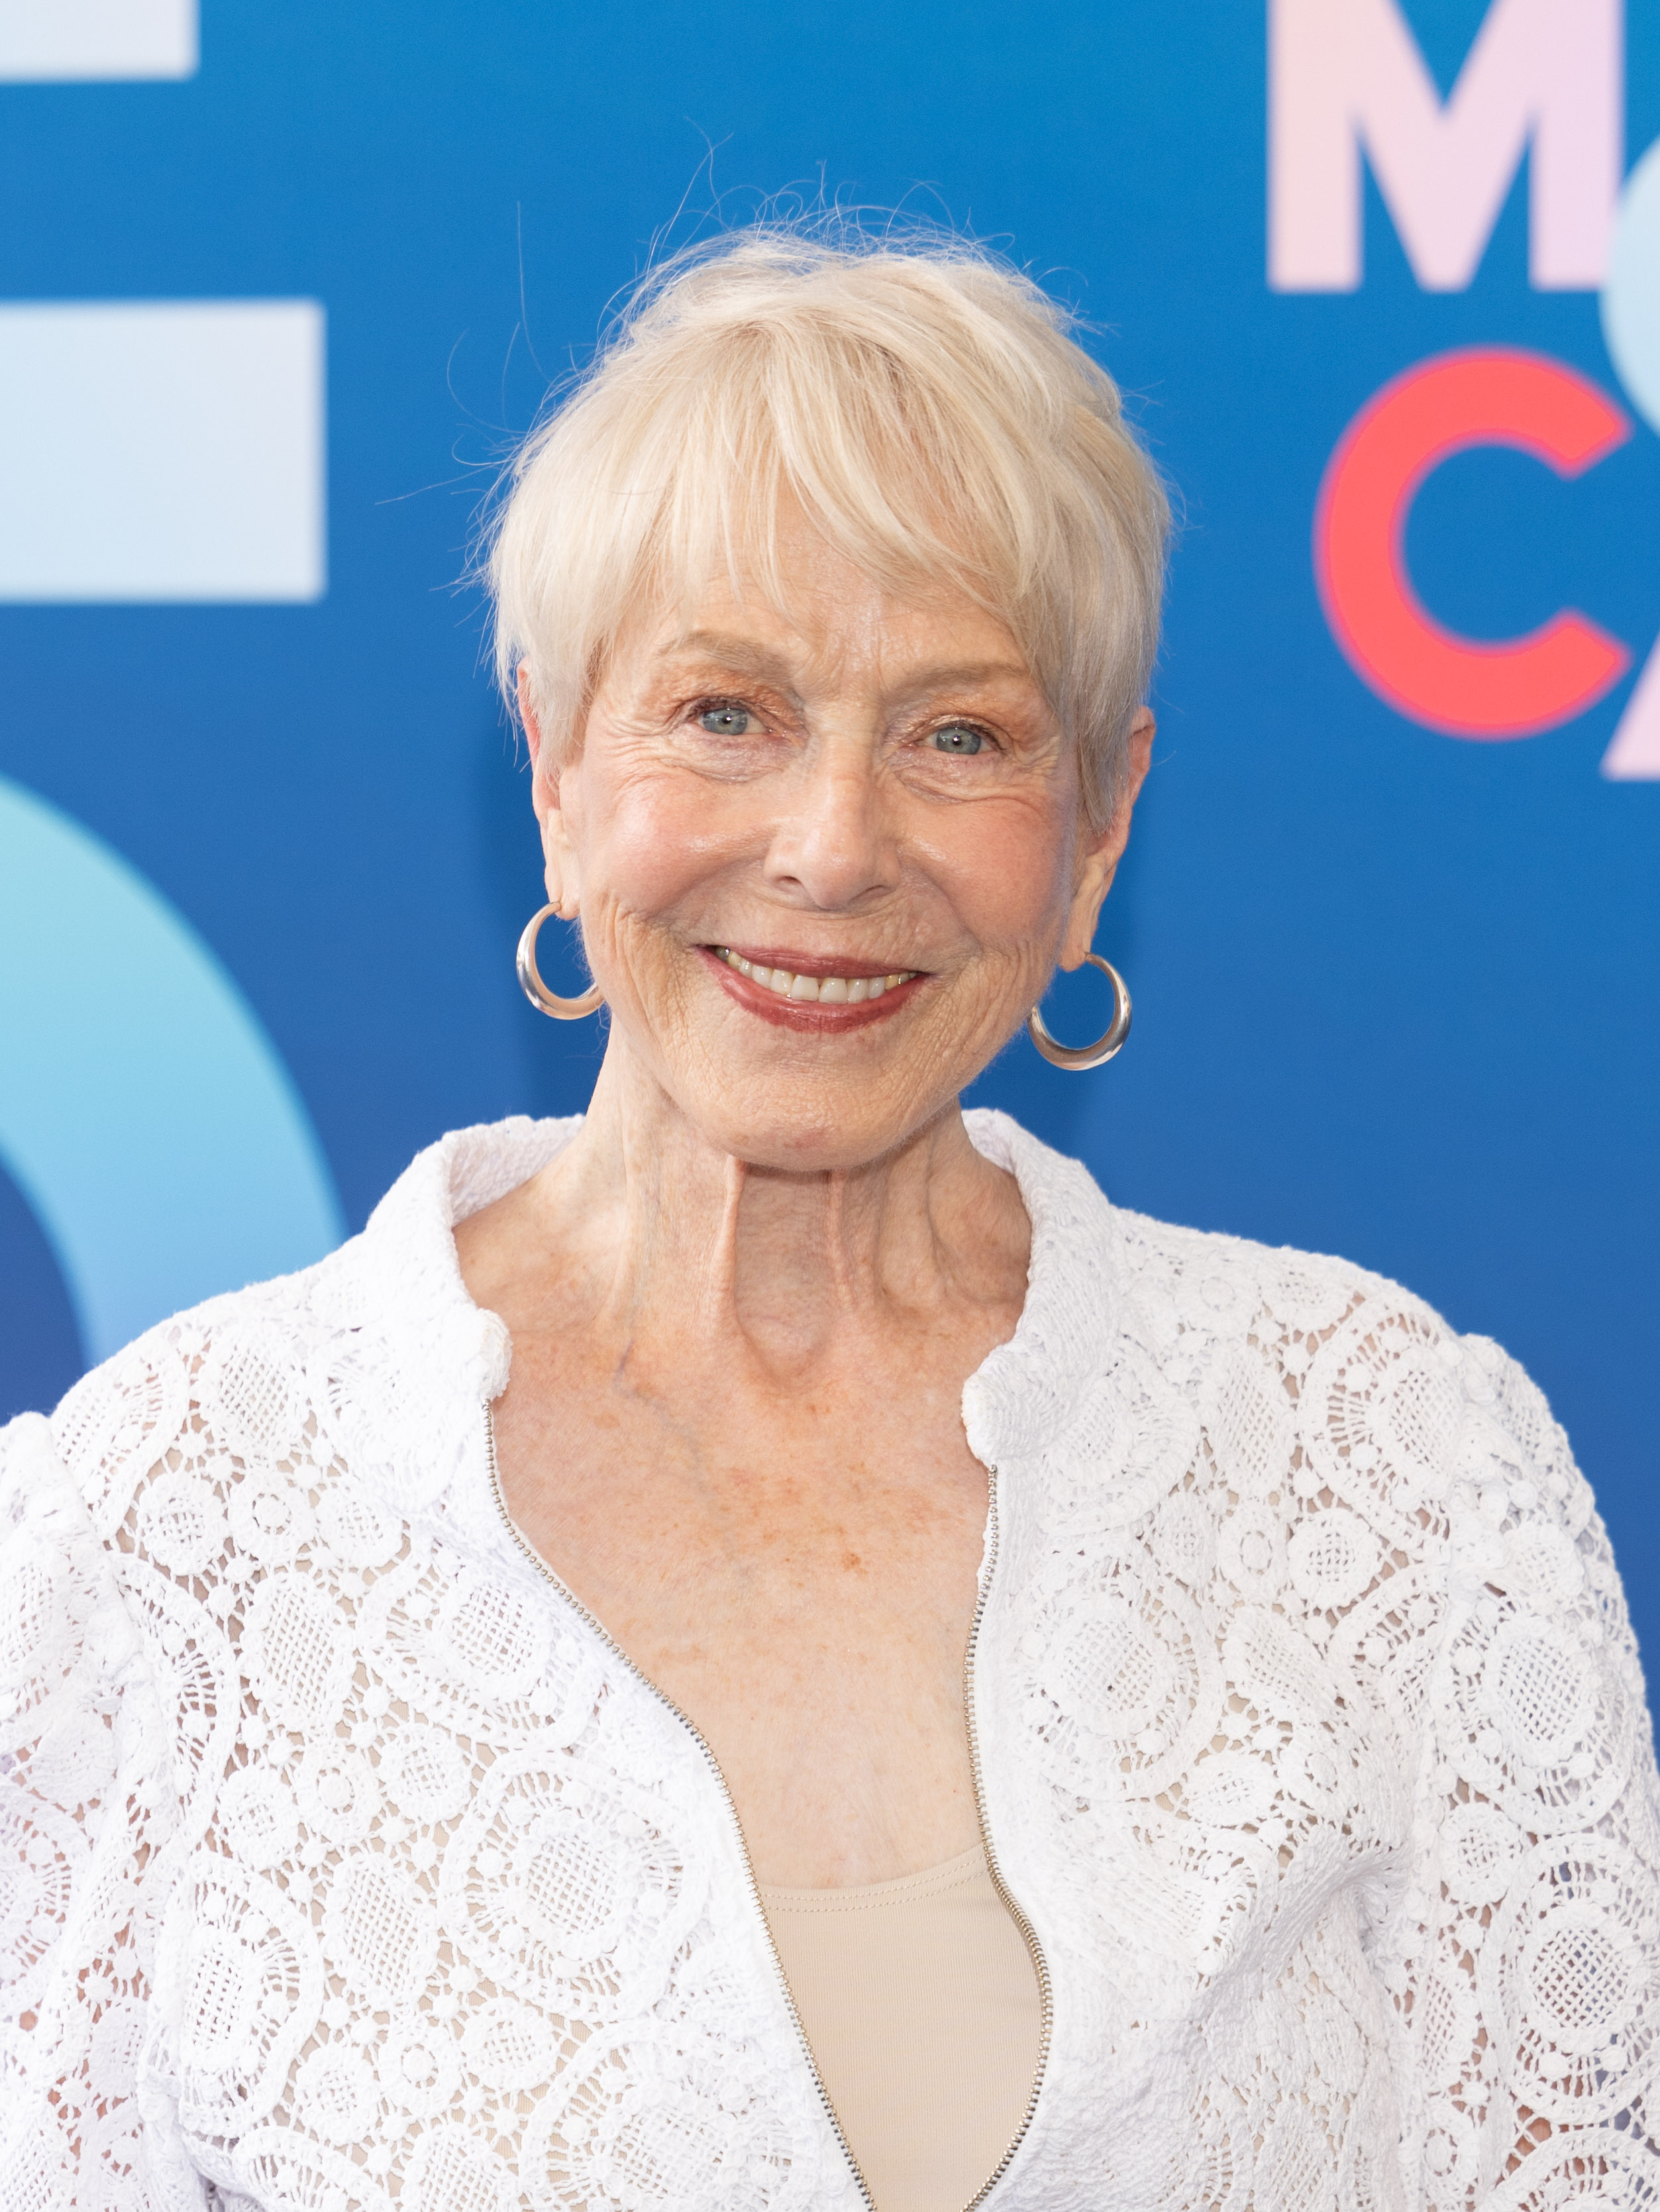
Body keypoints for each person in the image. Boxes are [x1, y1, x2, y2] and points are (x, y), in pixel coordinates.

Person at [3, 223, 1655, 2212]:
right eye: (725, 713)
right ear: (548, 754)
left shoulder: (1394, 1471)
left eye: (957, 735)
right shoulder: (167, 1521)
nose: (831, 847)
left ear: (1099, 821)